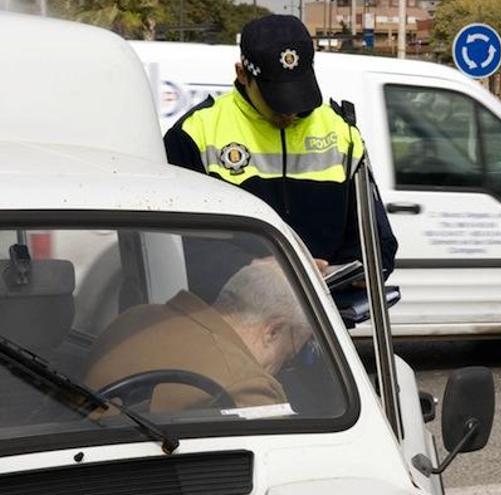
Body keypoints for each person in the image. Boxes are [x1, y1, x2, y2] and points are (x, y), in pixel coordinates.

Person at [163, 14, 397, 301]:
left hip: (321, 324)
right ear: (242, 74)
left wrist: (352, 270)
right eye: (277, 100)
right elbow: (174, 244)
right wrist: (258, 272)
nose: (290, 112)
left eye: (299, 97)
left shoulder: (342, 132)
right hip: (226, 320)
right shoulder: (195, 134)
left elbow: (378, 242)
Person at [83, 261, 309, 412]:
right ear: (273, 331)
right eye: (288, 356)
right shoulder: (248, 385)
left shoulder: (136, 318)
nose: (282, 368)